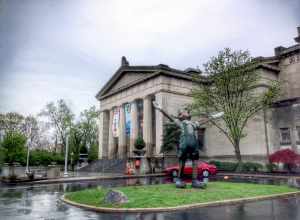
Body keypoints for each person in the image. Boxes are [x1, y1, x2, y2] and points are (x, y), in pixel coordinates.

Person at [153, 101, 223, 188]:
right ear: (181, 116)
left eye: (187, 111)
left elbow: (204, 121)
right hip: (184, 144)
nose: (187, 112)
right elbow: (169, 117)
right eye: (184, 111)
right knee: (182, 162)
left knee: (195, 162)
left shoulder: (193, 124)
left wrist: (214, 116)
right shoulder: (180, 123)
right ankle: (179, 180)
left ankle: (195, 181)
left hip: (193, 145)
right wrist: (160, 108)